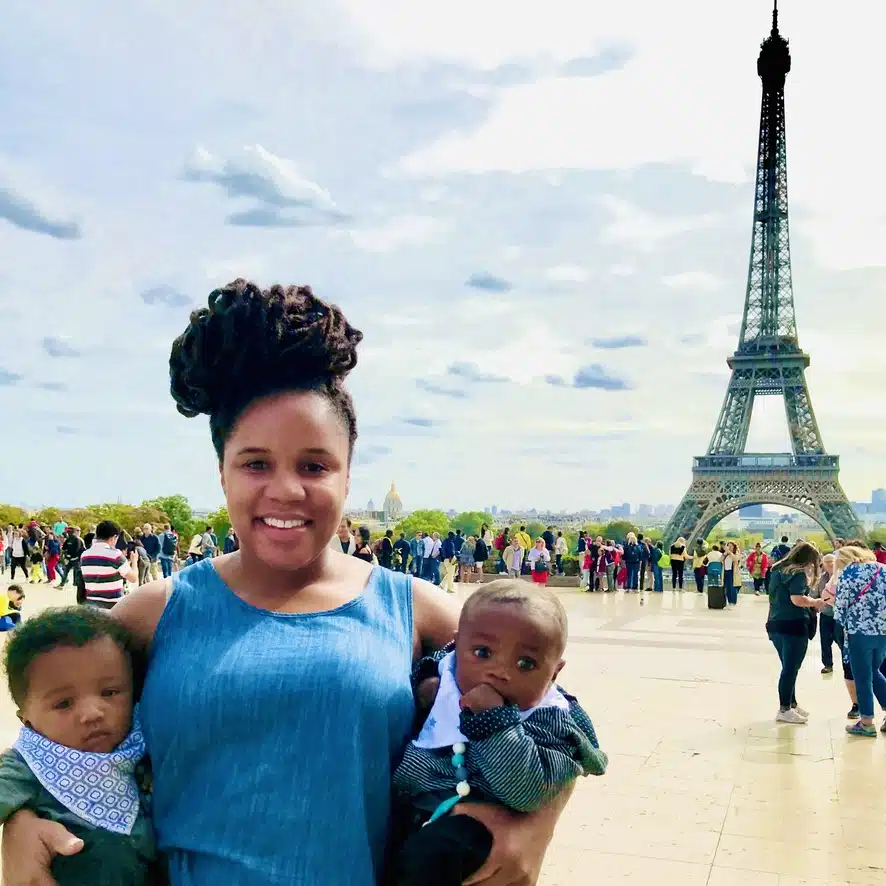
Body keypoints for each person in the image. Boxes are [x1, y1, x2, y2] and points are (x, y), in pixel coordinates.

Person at [3, 279, 569, 886]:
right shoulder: (155, 613)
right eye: (255, 464)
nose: (286, 490)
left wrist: (536, 822)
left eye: (314, 465)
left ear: (348, 477)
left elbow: (553, 714)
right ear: (221, 474)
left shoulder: (416, 610)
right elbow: (49, 725)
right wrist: (14, 820)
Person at [391, 581, 608, 885]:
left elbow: (527, 792)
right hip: (410, 819)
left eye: (526, 663)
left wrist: (495, 723)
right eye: (482, 652)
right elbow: (434, 662)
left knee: (431, 858)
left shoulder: (552, 722)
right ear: (456, 649)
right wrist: (427, 683)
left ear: (555, 673)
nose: (500, 671)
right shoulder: (447, 675)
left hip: (471, 840)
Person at [0, 608, 158, 883]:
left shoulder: (143, 745)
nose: (92, 713)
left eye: (109, 692)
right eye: (63, 703)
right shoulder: (28, 764)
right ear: (26, 720)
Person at [765, 541, 823, 724]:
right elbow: (797, 599)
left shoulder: (777, 570)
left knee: (788, 668)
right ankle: (784, 709)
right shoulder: (797, 574)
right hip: (794, 624)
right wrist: (816, 602)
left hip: (775, 623)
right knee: (791, 669)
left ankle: (791, 704)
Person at [832, 545, 886, 736]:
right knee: (874, 671)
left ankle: (866, 722)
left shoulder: (849, 572)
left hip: (859, 632)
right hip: (883, 631)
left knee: (862, 677)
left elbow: (840, 605)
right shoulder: (882, 568)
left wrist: (838, 627)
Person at [79, 521, 140, 609]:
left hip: (91, 604)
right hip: (113, 605)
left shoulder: (84, 555)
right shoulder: (116, 555)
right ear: (114, 537)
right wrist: (134, 561)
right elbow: (133, 578)